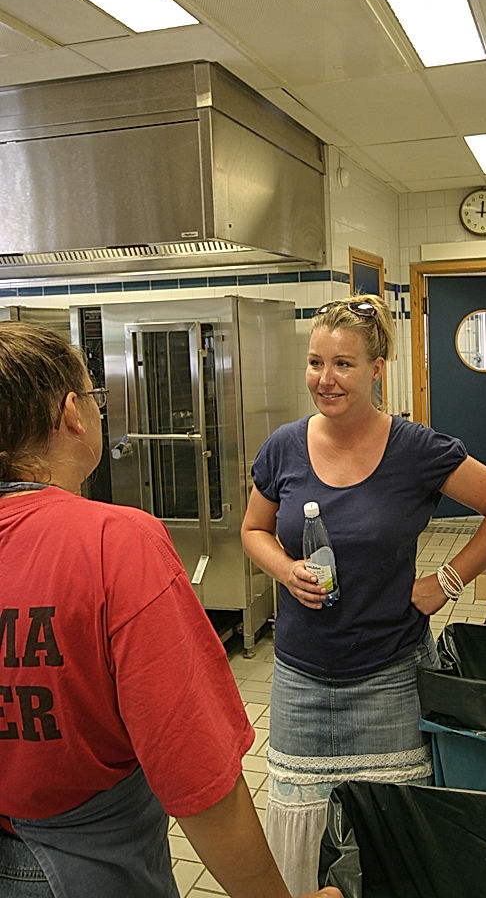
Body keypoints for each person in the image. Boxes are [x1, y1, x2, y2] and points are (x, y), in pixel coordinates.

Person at [0, 322, 342, 898]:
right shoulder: (114, 543)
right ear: (72, 414)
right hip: (82, 872)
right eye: (94, 395)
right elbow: (196, 771)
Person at [240, 293, 486, 894]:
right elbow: (253, 530)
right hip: (299, 677)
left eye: (343, 364)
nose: (325, 379)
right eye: (316, 362)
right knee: (301, 828)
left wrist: (447, 581)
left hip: (389, 675)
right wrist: (284, 569)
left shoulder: (416, 449)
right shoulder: (284, 447)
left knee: (389, 833)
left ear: (377, 368)